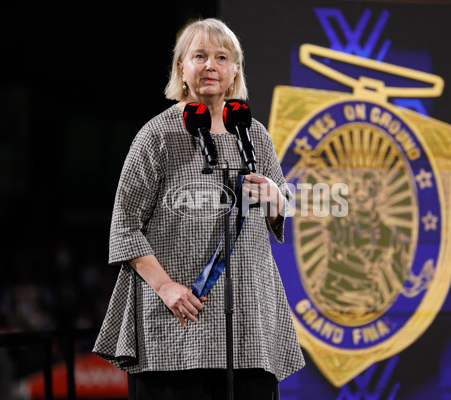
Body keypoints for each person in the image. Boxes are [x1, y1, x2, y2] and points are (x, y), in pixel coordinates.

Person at [93, 18, 305, 400]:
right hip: (176, 323)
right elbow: (124, 226)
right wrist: (166, 287)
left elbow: (280, 210)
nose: (211, 66)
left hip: (249, 324)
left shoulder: (254, 133)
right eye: (200, 56)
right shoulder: (156, 135)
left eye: (222, 57)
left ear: (235, 70)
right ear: (181, 68)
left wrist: (275, 195)